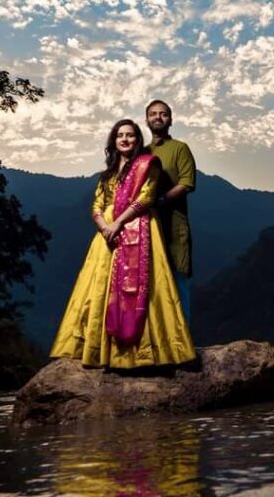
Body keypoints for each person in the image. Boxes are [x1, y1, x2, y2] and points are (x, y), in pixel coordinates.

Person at [50, 119, 195, 368]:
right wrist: (104, 226)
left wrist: (118, 223)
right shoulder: (107, 174)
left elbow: (147, 197)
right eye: (120, 135)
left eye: (130, 135)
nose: (125, 139)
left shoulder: (148, 165)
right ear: (114, 141)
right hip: (107, 235)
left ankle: (145, 354)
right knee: (98, 290)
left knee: (147, 290)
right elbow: (97, 203)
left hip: (139, 226)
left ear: (138, 140)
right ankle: (100, 353)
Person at [145, 100, 197, 325]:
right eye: (153, 114)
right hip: (147, 227)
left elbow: (187, 183)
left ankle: (183, 343)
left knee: (178, 280)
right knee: (151, 284)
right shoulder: (142, 152)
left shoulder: (180, 148)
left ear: (171, 120)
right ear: (146, 120)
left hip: (174, 226)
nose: (158, 117)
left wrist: (159, 201)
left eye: (163, 114)